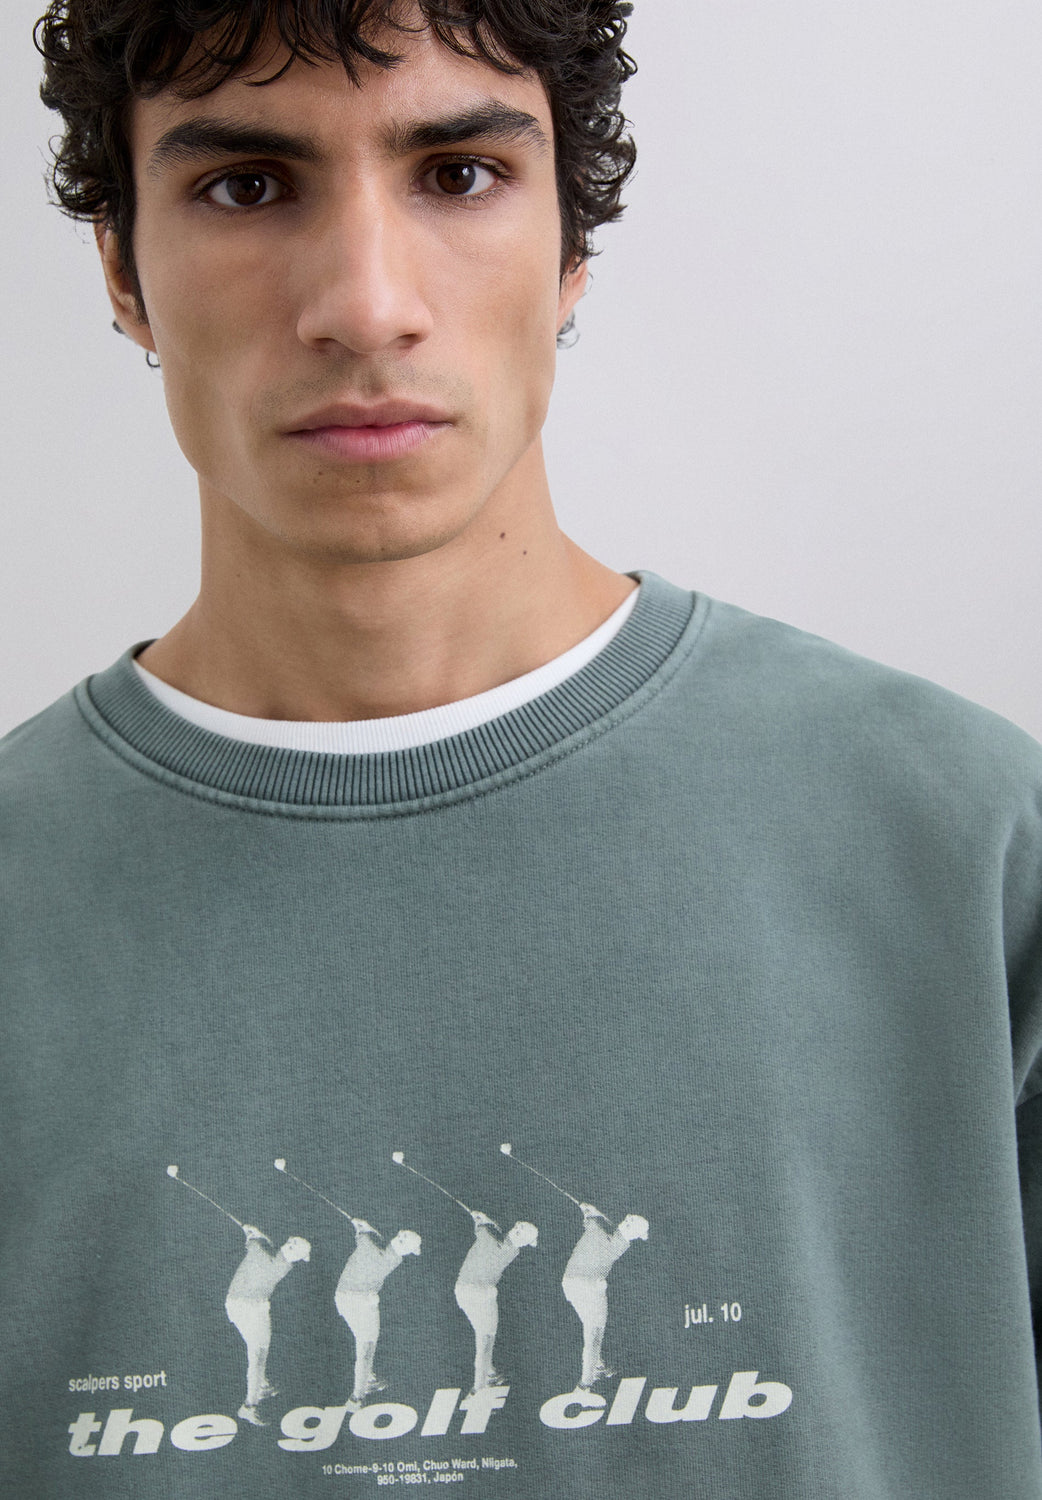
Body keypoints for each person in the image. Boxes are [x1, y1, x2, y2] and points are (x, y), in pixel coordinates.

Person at [2, 1, 1041, 1495]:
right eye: (247, 184)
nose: (366, 305)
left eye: (458, 174)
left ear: (569, 253)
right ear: (122, 270)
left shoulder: (963, 848)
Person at [224, 1225, 311, 1426]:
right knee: (257, 1357)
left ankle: (261, 1384)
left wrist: (251, 1233)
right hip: (252, 1309)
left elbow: (256, 1242)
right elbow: (257, 1243)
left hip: (233, 1304)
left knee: (257, 1352)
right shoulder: (278, 1265)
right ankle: (249, 1406)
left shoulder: (260, 1252)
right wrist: (253, 1235)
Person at [560, 1205, 647, 1400]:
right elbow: (598, 1222)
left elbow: (595, 1222)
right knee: (593, 1335)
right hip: (588, 1288)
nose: (626, 1221)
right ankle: (584, 1385)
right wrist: (592, 1213)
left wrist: (590, 1212)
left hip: (570, 1284)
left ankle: (597, 1365)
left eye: (629, 1223)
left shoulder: (605, 1236)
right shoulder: (614, 1241)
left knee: (591, 1330)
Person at [334, 1219, 421, 1408]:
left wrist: (362, 1228)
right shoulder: (390, 1259)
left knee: (363, 1342)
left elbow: (364, 1237)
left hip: (342, 1297)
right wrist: (363, 1230)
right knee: (366, 1347)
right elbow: (366, 1238)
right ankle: (357, 1397)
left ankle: (368, 1377)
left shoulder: (370, 1247)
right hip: (361, 1302)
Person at [454, 1210, 538, 1395]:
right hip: (479, 1295)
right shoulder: (509, 1249)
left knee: (484, 1338)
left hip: (466, 1291)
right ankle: (479, 1386)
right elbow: (487, 1230)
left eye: (519, 1231)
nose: (516, 1229)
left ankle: (488, 1374)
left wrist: (480, 1219)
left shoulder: (496, 1244)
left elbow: (484, 1230)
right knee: (485, 1339)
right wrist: (483, 1221)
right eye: (518, 1227)